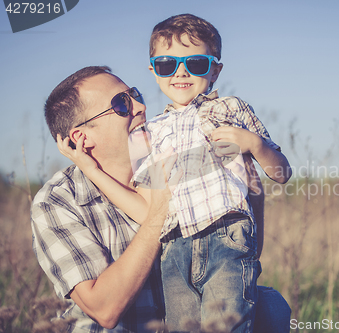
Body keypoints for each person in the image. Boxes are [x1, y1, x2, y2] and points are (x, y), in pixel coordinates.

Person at [32, 66, 291, 332]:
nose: (140, 107)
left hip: (185, 319)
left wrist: (249, 190)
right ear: (82, 138)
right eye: (121, 104)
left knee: (271, 306)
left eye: (134, 94)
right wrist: (160, 211)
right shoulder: (57, 200)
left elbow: (239, 255)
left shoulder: (178, 153)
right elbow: (104, 310)